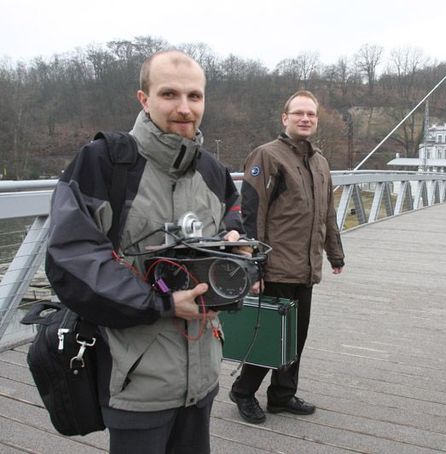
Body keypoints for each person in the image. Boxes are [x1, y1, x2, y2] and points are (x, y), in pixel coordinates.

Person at [45, 50, 243, 453]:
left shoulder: (213, 171)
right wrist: (162, 304)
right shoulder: (105, 161)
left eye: (195, 96)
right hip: (136, 378)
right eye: (169, 94)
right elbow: (73, 258)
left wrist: (235, 260)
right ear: (144, 98)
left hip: (202, 372)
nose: (184, 108)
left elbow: (235, 227)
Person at [229, 90, 345, 424]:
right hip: (275, 265)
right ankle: (243, 391)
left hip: (305, 267)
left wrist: (335, 254)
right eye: (298, 113)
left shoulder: (320, 162)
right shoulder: (266, 156)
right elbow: (252, 215)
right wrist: (253, 267)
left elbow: (328, 214)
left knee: (296, 337)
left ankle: (281, 396)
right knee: (269, 335)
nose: (305, 118)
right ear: (285, 118)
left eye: (311, 114)